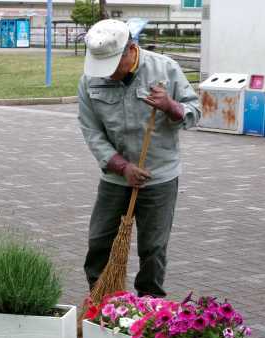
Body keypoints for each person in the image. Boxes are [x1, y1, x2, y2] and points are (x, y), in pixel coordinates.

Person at [78, 19, 201, 298]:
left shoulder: (165, 69)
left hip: (158, 177)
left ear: (130, 50)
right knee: (99, 242)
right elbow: (91, 131)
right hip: (115, 177)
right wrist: (122, 167)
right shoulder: (89, 80)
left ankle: (150, 306)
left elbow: (195, 111)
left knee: (153, 249)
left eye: (112, 67)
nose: (107, 75)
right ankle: (100, 300)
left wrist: (171, 106)